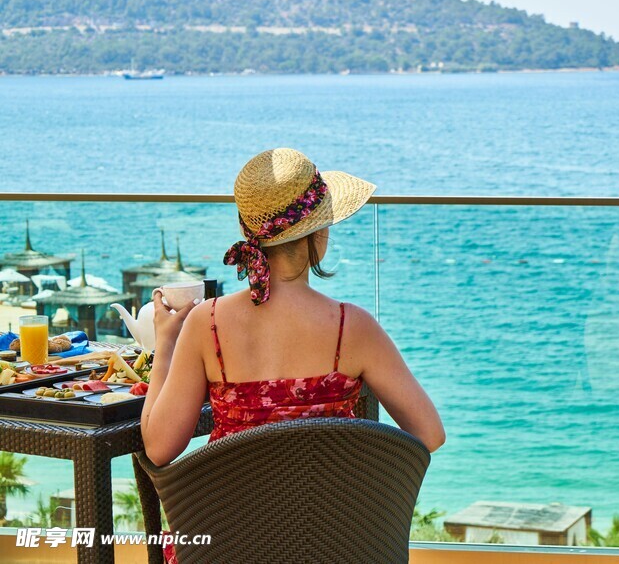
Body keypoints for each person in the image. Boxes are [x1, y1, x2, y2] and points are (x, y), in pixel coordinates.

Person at [141, 148, 444, 466]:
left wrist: (166, 345)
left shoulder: (207, 322)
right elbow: (430, 434)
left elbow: (160, 449)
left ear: (246, 231)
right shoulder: (352, 326)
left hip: (232, 498)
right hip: (332, 498)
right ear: (319, 231)